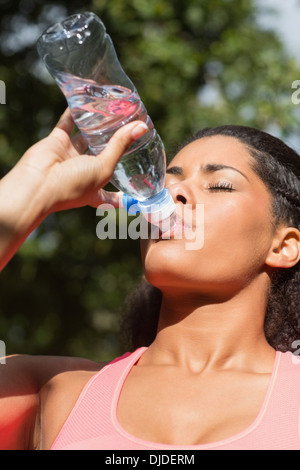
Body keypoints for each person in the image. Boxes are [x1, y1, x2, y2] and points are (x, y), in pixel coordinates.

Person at [1, 108, 300, 450]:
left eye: (218, 185)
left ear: (284, 246)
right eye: (164, 184)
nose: (173, 194)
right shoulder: (53, 392)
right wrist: (32, 187)